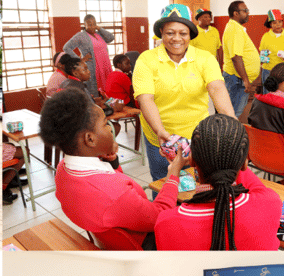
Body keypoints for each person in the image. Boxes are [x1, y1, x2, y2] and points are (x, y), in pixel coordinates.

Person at [40, 88, 181, 250]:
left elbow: (112, 186)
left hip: (113, 237)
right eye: (106, 124)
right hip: (148, 243)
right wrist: (173, 175)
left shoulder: (63, 171)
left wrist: (112, 160)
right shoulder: (114, 194)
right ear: (90, 139)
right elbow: (158, 216)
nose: (110, 129)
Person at [133, 4, 235, 184]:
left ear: (190, 35)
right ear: (161, 34)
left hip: (197, 138)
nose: (176, 39)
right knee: (164, 184)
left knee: (198, 186)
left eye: (183, 33)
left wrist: (234, 127)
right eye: (170, 33)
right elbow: (145, 98)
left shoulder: (205, 58)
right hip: (162, 139)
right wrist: (160, 130)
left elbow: (217, 88)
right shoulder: (146, 59)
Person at [155, 115, 282, 250]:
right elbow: (251, 182)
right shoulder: (270, 203)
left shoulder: (166, 224)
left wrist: (174, 173)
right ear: (245, 163)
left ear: (192, 161)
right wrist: (230, 155)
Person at [222, 0, 262, 117]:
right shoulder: (235, 29)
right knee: (232, 113)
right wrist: (246, 80)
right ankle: (228, 135)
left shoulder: (236, 28)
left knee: (234, 112)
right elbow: (236, 57)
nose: (248, 13)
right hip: (237, 79)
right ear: (235, 13)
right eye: (245, 10)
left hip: (238, 78)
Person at [63, 14, 115, 98]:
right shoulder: (81, 36)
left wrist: (99, 28)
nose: (92, 26)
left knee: (108, 90)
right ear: (85, 25)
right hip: (92, 68)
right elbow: (66, 47)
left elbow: (111, 38)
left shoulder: (99, 34)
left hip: (105, 66)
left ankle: (108, 107)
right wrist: (80, 60)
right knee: (94, 93)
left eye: (94, 24)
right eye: (90, 24)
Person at [259, 10, 284, 87]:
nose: (278, 25)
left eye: (279, 22)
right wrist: (264, 61)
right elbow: (262, 54)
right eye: (274, 23)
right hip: (268, 71)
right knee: (269, 94)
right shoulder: (266, 36)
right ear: (270, 24)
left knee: (283, 94)